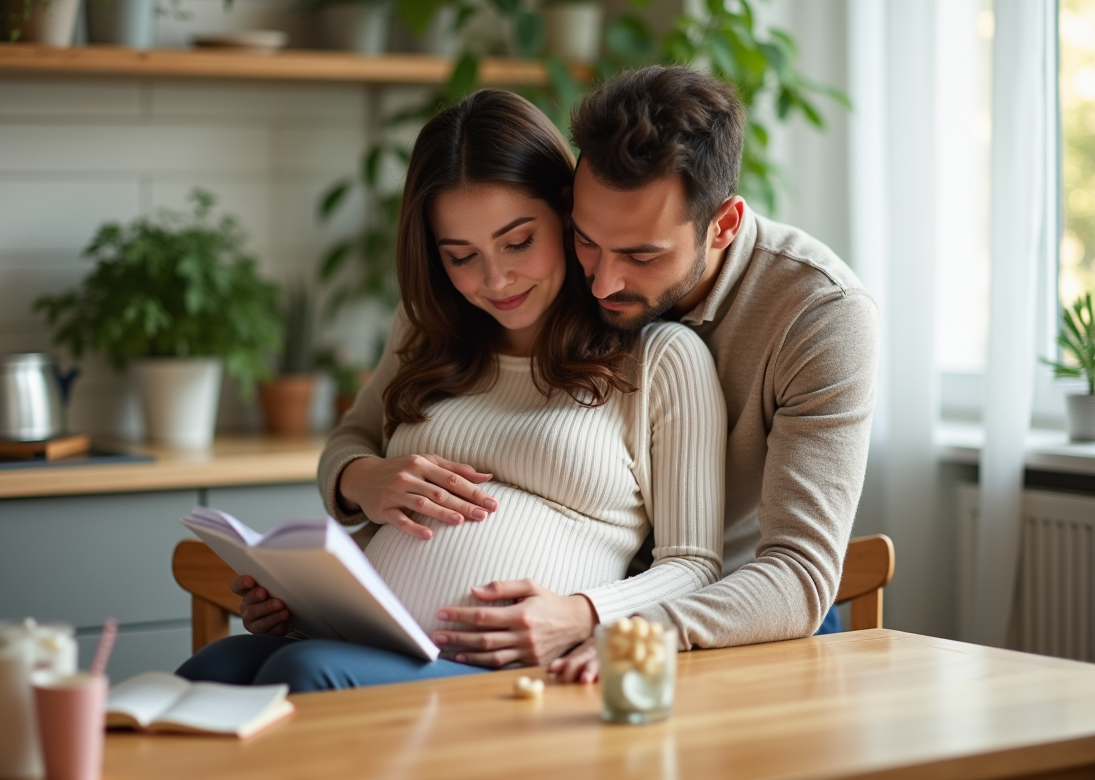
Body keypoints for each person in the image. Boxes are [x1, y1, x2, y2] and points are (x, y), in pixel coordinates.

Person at [177, 88, 726, 691]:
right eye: (461, 256)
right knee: (211, 668)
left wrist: (579, 616)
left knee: (304, 673)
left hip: (507, 677)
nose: (495, 279)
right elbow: (350, 439)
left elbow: (695, 565)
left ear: (570, 218)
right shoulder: (425, 330)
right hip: (358, 638)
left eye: (518, 242)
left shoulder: (662, 360)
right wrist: (361, 479)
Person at [546, 65, 880, 673]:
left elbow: (800, 576)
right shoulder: (568, 263)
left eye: (642, 255)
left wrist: (625, 627)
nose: (601, 281)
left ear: (723, 223)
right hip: (577, 605)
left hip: (729, 620)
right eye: (586, 240)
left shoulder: (822, 314)